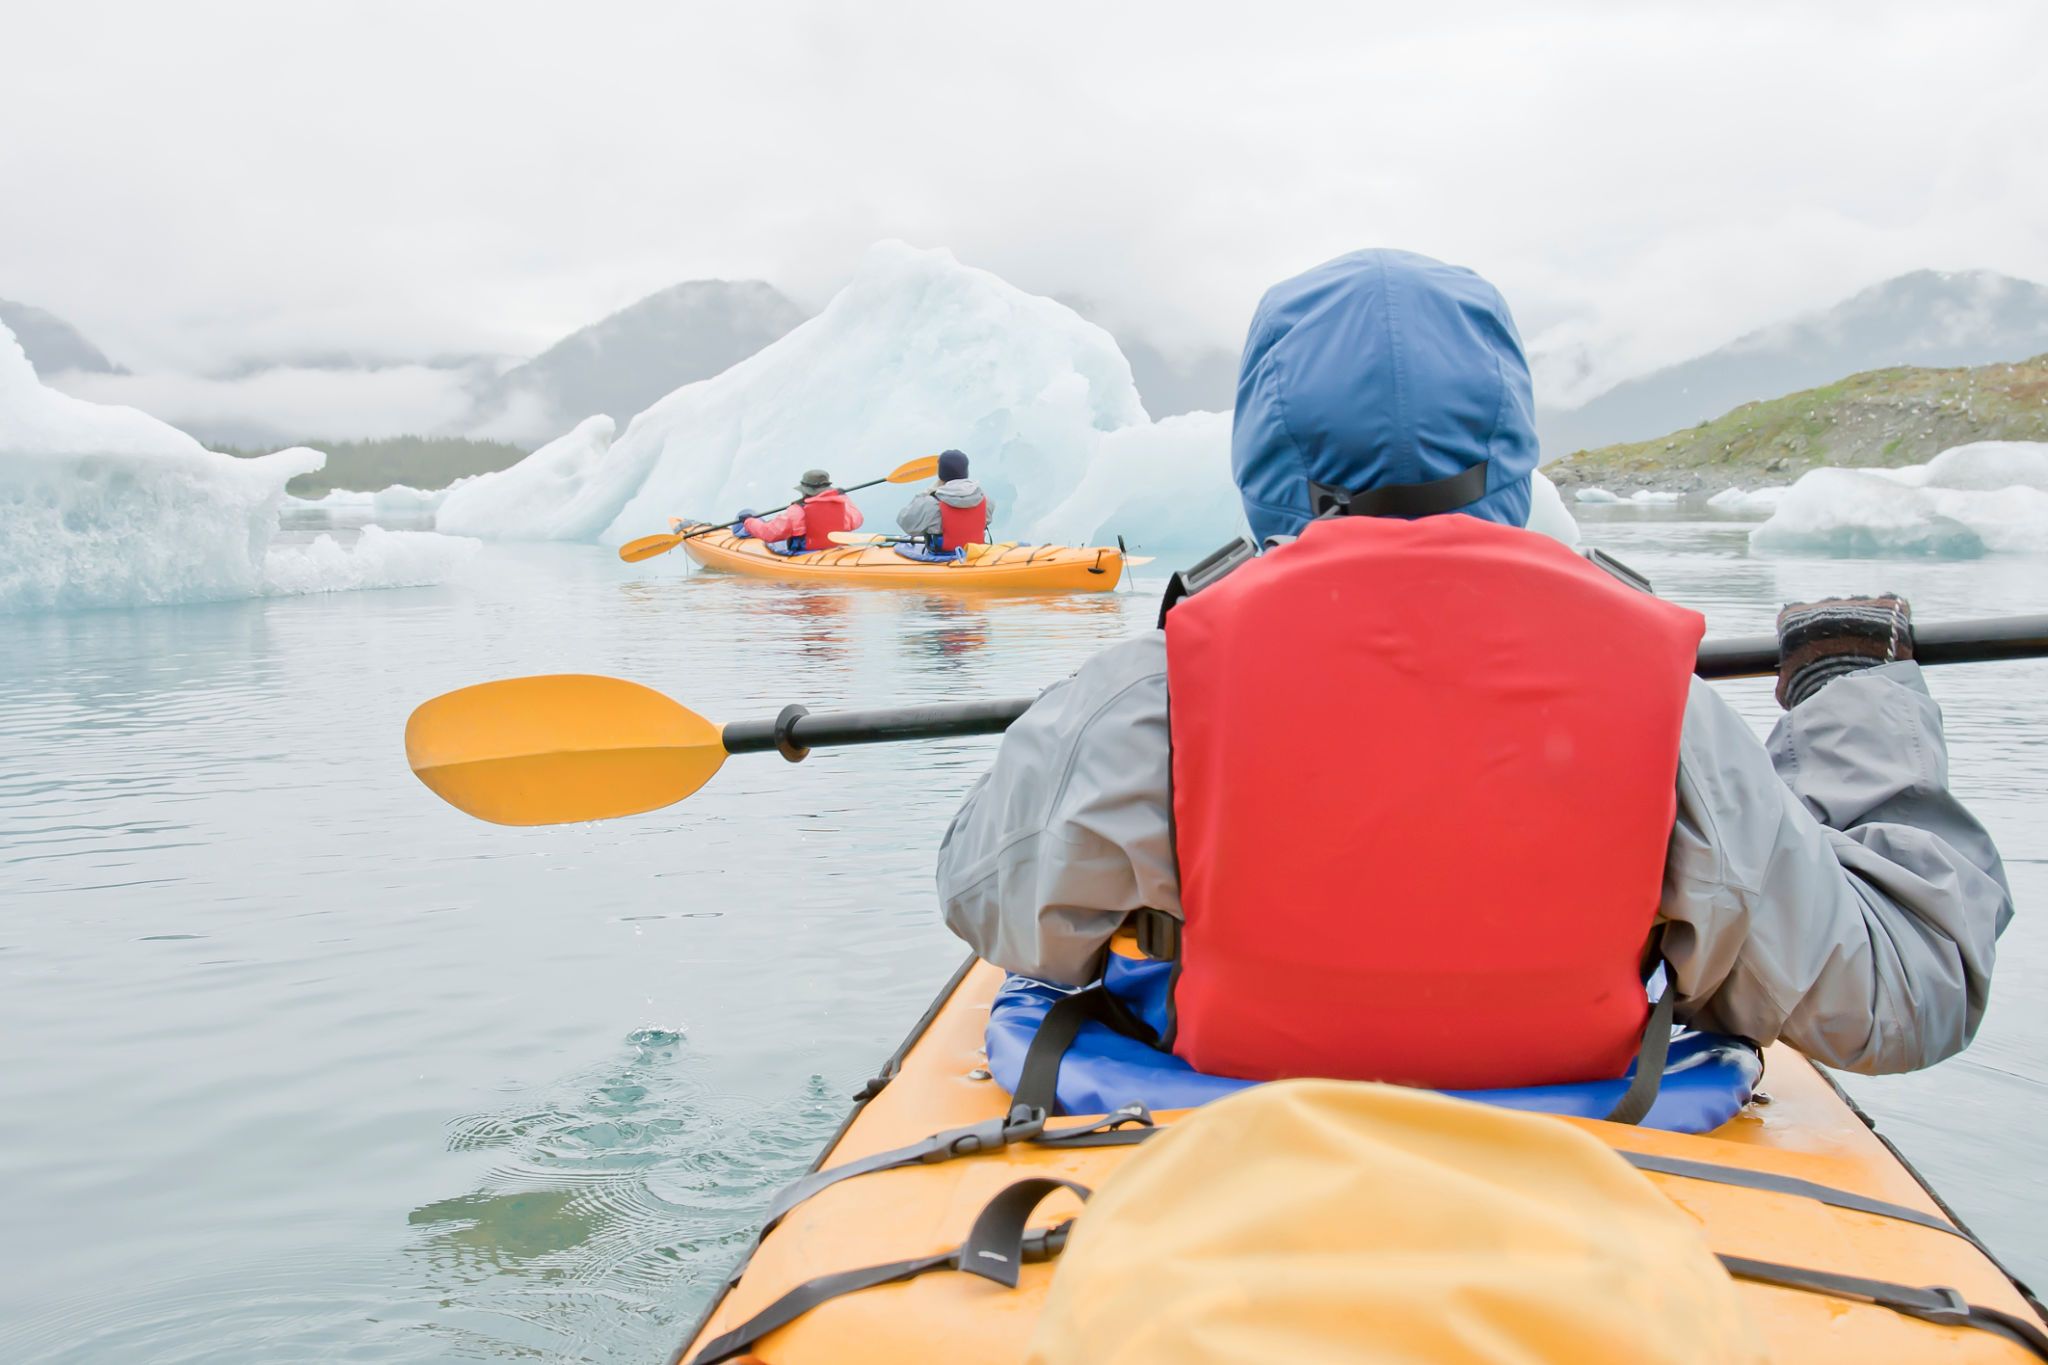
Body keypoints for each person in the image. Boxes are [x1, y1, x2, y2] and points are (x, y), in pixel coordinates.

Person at [935, 248, 2011, 1085]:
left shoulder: (1156, 694)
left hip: (1239, 1105)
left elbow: (989, 901)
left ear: (1263, 450)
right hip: (1591, 1119)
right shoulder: (1660, 713)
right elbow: (1904, 992)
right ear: (1509, 443)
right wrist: (1848, 693)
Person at [735, 469, 864, 552]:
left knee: (775, 540)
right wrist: (843, 496)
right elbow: (857, 519)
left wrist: (748, 521)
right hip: (834, 548)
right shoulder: (841, 504)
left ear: (805, 490)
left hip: (805, 552)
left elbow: (768, 534)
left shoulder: (798, 510)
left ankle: (744, 530)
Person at [896, 449, 995, 549]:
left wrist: (927, 492)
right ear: (966, 472)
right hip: (975, 554)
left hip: (943, 555)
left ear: (941, 475)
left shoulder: (931, 504)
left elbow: (905, 522)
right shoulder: (986, 501)